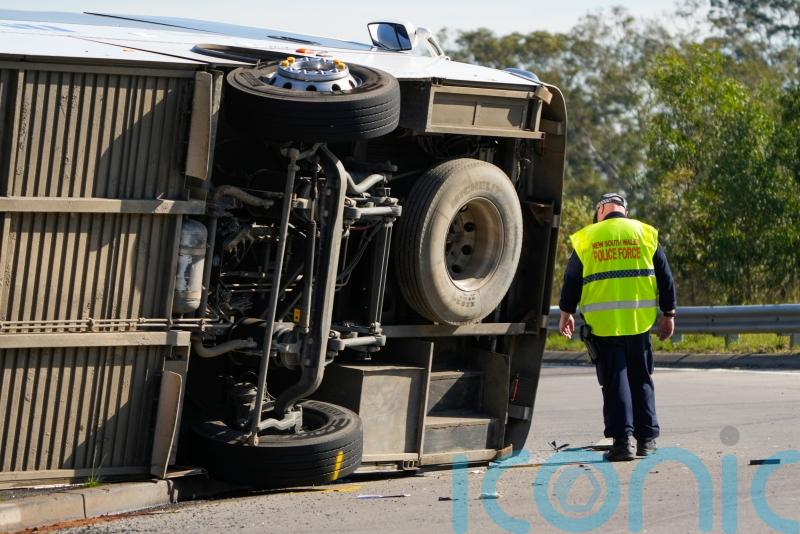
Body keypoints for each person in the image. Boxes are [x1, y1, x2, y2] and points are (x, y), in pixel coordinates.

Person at [558, 193, 677, 462]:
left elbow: (572, 280)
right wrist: (668, 314)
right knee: (641, 379)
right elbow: (665, 277)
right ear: (625, 211)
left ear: (600, 212)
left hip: (604, 326)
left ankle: (623, 445)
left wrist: (566, 313)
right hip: (638, 322)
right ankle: (646, 442)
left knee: (615, 383)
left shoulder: (587, 237)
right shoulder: (645, 233)